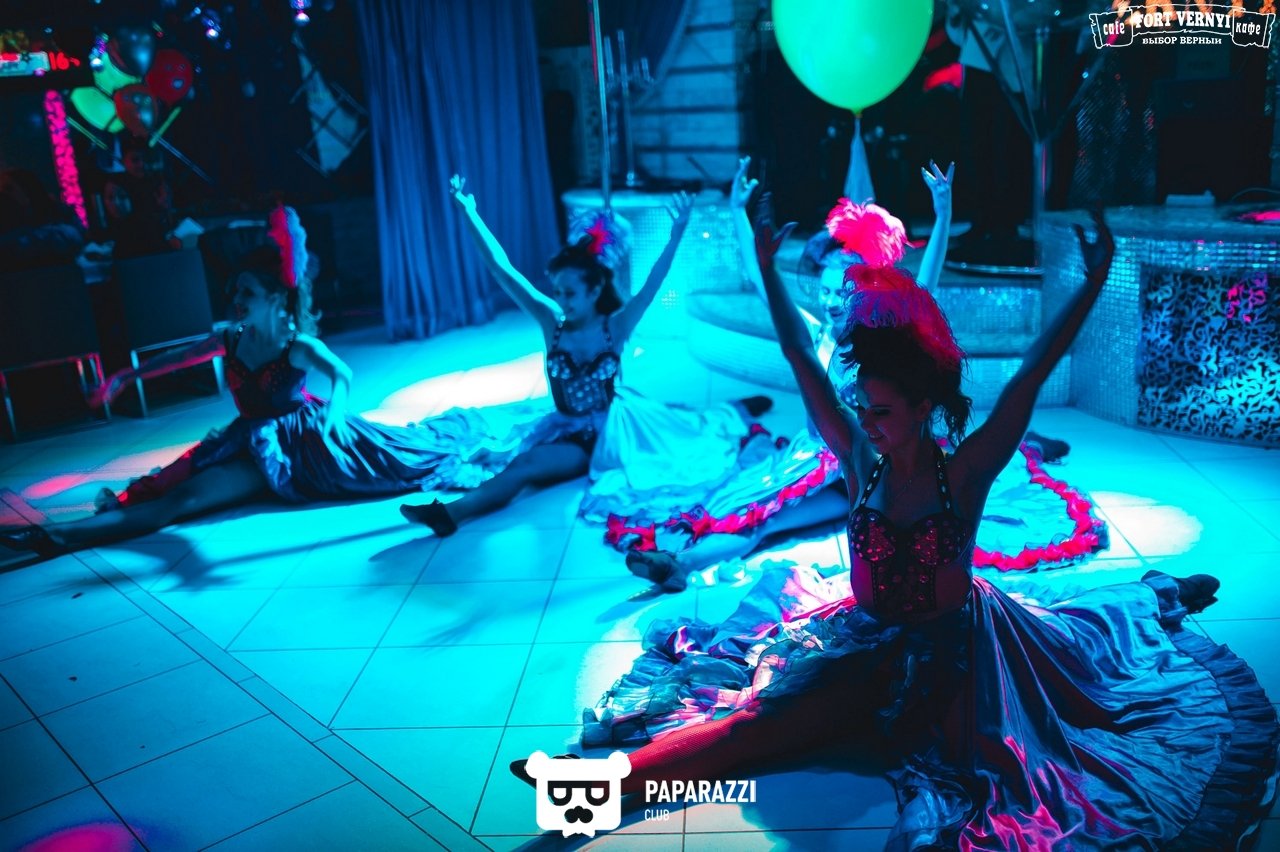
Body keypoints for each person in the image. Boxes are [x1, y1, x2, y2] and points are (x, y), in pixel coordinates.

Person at [517, 201, 1279, 848]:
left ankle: (1158, 592)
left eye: (881, 410)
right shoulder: (858, 457)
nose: (867, 421)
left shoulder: (966, 472)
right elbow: (799, 357)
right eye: (862, 407)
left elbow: (1031, 374)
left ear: (922, 407)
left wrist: (1093, 281)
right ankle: (583, 789)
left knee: (1056, 690)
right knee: (753, 729)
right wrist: (764, 262)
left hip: (963, 655)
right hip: (863, 640)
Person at [618, 157, 1097, 592]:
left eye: (843, 290)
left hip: (863, 462)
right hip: (822, 458)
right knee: (756, 511)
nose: (832, 299)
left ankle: (1029, 443)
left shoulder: (886, 345)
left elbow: (928, 290)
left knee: (980, 460)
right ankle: (681, 562)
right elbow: (779, 313)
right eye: (826, 290)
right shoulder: (818, 340)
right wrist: (740, 219)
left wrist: (943, 215)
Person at [0, 206, 484, 559]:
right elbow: (179, 356)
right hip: (243, 437)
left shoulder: (296, 346)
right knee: (169, 486)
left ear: (274, 298)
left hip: (295, 445)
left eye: (247, 293)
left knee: (183, 501)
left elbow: (343, 373)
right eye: (235, 291)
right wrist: (128, 374)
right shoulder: (231, 338)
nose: (236, 300)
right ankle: (55, 534)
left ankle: (56, 537)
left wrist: (336, 411)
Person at [400, 175, 722, 536]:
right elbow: (502, 270)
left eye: (570, 293)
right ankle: (451, 513)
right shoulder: (551, 321)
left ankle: (450, 515)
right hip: (562, 424)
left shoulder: (615, 327)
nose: (561, 300)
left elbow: (651, 286)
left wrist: (676, 234)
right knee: (523, 463)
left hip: (602, 437)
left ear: (595, 290)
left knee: (526, 466)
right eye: (558, 291)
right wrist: (469, 212)